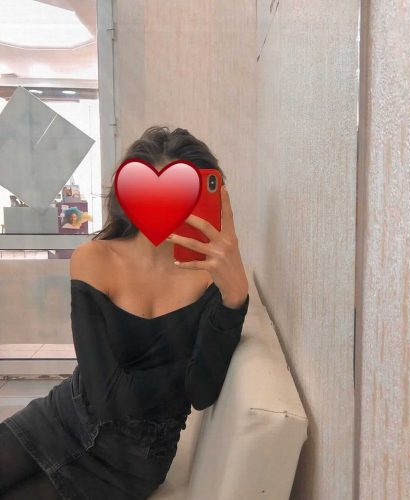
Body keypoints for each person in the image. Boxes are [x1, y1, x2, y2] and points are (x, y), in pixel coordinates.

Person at [0, 126, 250, 499]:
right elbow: (106, 396)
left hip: (133, 461)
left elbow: (201, 392)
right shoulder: (95, 258)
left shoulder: (211, 281)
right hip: (60, 417)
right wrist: (182, 376)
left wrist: (235, 298)